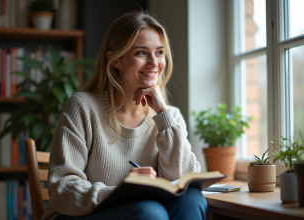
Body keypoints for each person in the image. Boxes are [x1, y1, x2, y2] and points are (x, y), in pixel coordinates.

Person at [41, 11, 207, 220]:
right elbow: (62, 189)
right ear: (115, 59)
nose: (154, 63)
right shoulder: (82, 107)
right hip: (77, 215)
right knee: (150, 212)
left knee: (192, 199)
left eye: (159, 52)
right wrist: (122, 191)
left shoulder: (170, 117)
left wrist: (163, 115)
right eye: (141, 53)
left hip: (143, 212)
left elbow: (184, 179)